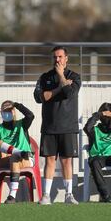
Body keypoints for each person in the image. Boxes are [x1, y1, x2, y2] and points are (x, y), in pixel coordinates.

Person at [33, 46, 81, 205]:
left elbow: (70, 93)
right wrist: (60, 85)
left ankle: (69, 195)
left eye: (60, 57)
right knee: (50, 161)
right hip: (49, 127)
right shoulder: (44, 77)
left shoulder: (75, 76)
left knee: (67, 161)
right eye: (55, 57)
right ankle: (46, 195)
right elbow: (40, 97)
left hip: (68, 126)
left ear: (66, 58)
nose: (57, 60)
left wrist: (61, 77)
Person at [0, 100, 35, 204]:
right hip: (5, 158)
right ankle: (15, 151)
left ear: (14, 111)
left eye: (9, 110)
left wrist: (17, 105)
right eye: (4, 110)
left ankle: (12, 196)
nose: (7, 112)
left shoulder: (22, 124)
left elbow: (30, 115)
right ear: (1, 112)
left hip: (25, 158)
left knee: (15, 157)